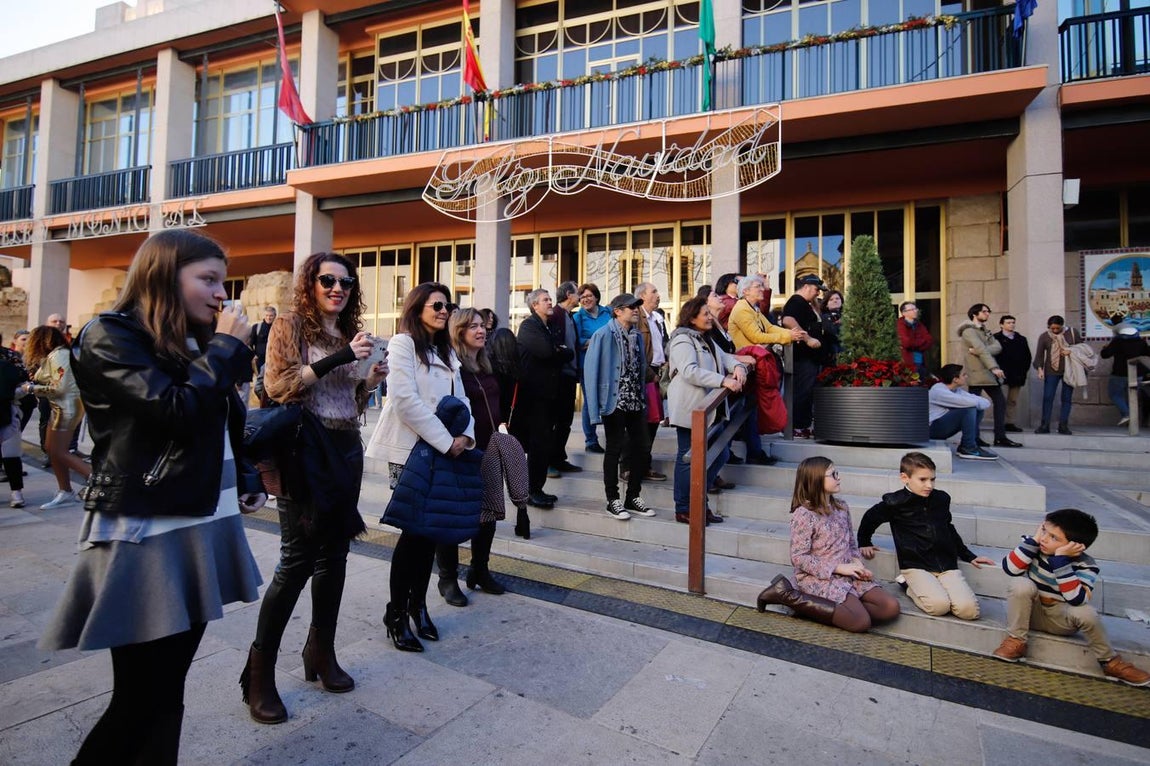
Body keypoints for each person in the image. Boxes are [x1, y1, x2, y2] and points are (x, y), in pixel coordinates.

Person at [38, 229, 265, 763]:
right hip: (147, 528)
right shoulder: (108, 335)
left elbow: (223, 421)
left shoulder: (191, 340)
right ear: (163, 275)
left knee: (167, 693)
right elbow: (175, 412)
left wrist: (249, 477)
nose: (219, 293)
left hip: (200, 521)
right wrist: (227, 347)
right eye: (207, 279)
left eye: (222, 281)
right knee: (140, 698)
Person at [244, 252, 386, 724]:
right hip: (305, 453)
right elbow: (279, 387)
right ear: (310, 283)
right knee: (296, 560)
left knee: (336, 557)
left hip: (345, 449)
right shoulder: (289, 326)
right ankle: (258, 674)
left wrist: (368, 379)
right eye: (327, 280)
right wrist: (345, 359)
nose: (337, 288)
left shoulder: (346, 332)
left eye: (346, 281)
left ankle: (320, 652)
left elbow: (347, 398)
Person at [368, 281, 474, 653]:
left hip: (444, 452)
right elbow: (403, 399)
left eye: (449, 305)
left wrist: (466, 437)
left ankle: (418, 605)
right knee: (413, 534)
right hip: (411, 451)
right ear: (417, 308)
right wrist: (447, 441)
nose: (445, 310)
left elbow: (463, 400)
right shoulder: (403, 344)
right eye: (437, 305)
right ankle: (397, 613)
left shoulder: (445, 352)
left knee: (428, 534)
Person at [992, 509, 1149, 686]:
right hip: (1030, 615)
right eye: (1044, 530)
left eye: (1054, 538)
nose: (1044, 538)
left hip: (1061, 620)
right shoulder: (1033, 546)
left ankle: (1110, 662)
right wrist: (1034, 540)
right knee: (1020, 585)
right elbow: (1010, 569)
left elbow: (1076, 599)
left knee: (1086, 612)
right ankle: (1016, 642)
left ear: (1075, 546)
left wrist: (1060, 560)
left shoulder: (1086, 565)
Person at [436, 308, 528, 606]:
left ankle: (479, 569)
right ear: (458, 331)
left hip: (489, 448)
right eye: (472, 326)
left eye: (481, 326)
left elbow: (495, 405)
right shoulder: (452, 368)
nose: (481, 330)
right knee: (453, 517)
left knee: (488, 513)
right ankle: (447, 578)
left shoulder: (486, 365)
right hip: (462, 451)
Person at [756, 456, 900, 632]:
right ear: (816, 480)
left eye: (837, 473)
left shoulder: (841, 507)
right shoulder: (804, 514)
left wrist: (857, 564)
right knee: (860, 623)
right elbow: (798, 558)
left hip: (847, 574)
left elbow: (851, 544)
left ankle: (842, 610)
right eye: (833, 474)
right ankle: (785, 595)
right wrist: (838, 568)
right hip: (819, 578)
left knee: (890, 608)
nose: (839, 478)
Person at [857, 452, 996, 620]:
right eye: (923, 480)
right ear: (904, 477)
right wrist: (864, 541)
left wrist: (968, 555)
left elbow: (948, 528)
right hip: (916, 564)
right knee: (938, 607)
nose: (929, 485)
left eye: (932, 479)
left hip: (946, 564)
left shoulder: (941, 499)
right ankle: (908, 585)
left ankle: (936, 587)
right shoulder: (894, 503)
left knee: (969, 611)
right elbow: (869, 518)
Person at [666, 296, 746, 525]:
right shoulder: (682, 340)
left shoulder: (706, 338)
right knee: (687, 457)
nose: (710, 317)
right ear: (692, 318)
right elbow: (689, 371)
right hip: (690, 407)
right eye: (705, 314)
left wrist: (739, 367)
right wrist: (723, 381)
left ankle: (699, 502)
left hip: (710, 408)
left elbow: (727, 358)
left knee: (719, 453)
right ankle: (684, 508)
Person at [585, 293, 656, 521]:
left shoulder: (635, 335)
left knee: (642, 447)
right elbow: (591, 373)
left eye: (637, 306)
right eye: (631, 307)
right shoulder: (603, 335)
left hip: (635, 401)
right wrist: (594, 411)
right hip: (613, 401)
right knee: (614, 448)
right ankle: (612, 500)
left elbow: (640, 369)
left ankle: (632, 496)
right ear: (617, 311)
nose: (636, 310)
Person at [728, 274, 805, 450]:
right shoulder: (741, 309)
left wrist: (789, 334)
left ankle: (755, 449)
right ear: (746, 291)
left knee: (751, 410)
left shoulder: (752, 308)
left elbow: (769, 328)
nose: (762, 289)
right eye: (758, 286)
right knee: (746, 410)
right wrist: (787, 336)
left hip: (757, 364)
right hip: (749, 365)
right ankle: (749, 449)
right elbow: (756, 336)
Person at [22, 325, 92, 509]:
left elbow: (60, 387)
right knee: (51, 448)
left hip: (67, 406)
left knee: (60, 451)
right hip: (60, 406)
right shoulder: (55, 356)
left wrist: (32, 388)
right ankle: (65, 490)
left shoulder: (60, 355)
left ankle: (96, 479)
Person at [515, 288, 572, 508]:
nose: (550, 302)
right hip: (533, 398)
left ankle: (537, 488)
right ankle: (531, 491)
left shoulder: (552, 326)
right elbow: (547, 352)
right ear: (534, 305)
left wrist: (558, 350)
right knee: (538, 445)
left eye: (550, 299)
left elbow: (569, 353)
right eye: (545, 300)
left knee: (544, 444)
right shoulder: (529, 326)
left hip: (549, 396)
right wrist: (558, 351)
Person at [957, 303, 1020, 448]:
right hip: (978, 372)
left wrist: (980, 350)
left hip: (986, 372)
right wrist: (994, 367)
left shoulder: (985, 330)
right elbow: (982, 349)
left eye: (988, 311)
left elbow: (997, 347)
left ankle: (999, 437)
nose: (987, 314)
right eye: (984, 311)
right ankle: (975, 438)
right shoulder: (969, 331)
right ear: (975, 314)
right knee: (975, 406)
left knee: (999, 403)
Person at [625, 281, 668, 482]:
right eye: (654, 291)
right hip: (645, 375)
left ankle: (644, 465)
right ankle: (627, 466)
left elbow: (663, 345)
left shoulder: (658, 318)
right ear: (642, 296)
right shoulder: (636, 317)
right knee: (637, 423)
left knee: (652, 423)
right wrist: (651, 374)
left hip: (657, 374)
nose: (658, 295)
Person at [782, 275, 828, 438]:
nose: (817, 293)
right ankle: (796, 425)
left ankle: (804, 424)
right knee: (802, 390)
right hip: (803, 356)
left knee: (808, 391)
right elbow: (787, 320)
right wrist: (807, 338)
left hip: (812, 357)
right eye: (816, 290)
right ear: (807, 286)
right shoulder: (796, 301)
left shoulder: (807, 304)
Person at [547, 281, 583, 476]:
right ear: (569, 294)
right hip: (558, 377)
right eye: (577, 293)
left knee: (565, 420)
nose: (580, 296)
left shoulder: (570, 316)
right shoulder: (555, 315)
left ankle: (559, 458)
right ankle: (548, 462)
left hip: (569, 376)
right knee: (555, 421)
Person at [928, 364, 997, 460]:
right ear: (955, 379)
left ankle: (967, 445)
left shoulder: (956, 390)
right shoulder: (938, 391)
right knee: (968, 409)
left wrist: (974, 402)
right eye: (963, 375)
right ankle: (969, 447)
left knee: (975, 408)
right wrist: (973, 402)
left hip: (943, 426)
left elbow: (985, 403)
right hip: (932, 430)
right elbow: (972, 402)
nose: (966, 376)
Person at [572, 283, 611, 453]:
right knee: (590, 401)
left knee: (610, 399)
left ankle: (612, 436)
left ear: (596, 297)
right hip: (587, 365)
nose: (586, 299)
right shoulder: (578, 318)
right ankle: (591, 440)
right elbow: (576, 340)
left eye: (589, 296)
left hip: (608, 363)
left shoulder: (608, 312)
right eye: (582, 297)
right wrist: (594, 342)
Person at [1031, 315, 1080, 435]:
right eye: (1052, 328)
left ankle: (1063, 425)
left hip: (1069, 369)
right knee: (1048, 397)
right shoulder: (1045, 336)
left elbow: (1081, 348)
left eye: (1057, 328)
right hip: (1051, 370)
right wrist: (1040, 369)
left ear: (1062, 326)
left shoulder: (1072, 333)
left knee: (1066, 398)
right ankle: (1045, 425)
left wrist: (1071, 351)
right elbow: (1040, 354)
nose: (1054, 331)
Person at [1100, 322, 1150, 426]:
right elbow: (1147, 352)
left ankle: (1126, 414)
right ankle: (1136, 421)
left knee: (1115, 394)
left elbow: (1105, 355)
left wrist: (1105, 348)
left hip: (1120, 373)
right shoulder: (1140, 341)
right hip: (1138, 373)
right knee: (1135, 396)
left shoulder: (1117, 342)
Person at [993, 315, 1030, 433]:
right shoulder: (995, 338)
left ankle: (1010, 422)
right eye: (1008, 322)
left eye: (1013, 322)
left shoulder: (1021, 339)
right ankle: (999, 424)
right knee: (1000, 401)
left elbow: (1027, 357)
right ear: (1001, 325)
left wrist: (1023, 372)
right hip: (1001, 375)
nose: (1011, 324)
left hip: (1017, 375)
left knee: (1012, 400)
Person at [897, 301, 933, 380]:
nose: (915, 311)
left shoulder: (919, 325)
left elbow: (929, 340)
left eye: (915, 309)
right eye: (912, 309)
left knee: (922, 385)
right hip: (908, 362)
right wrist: (921, 342)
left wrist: (914, 344)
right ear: (904, 313)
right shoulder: (900, 325)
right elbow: (906, 343)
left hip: (921, 362)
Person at [821, 289, 844, 364]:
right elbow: (832, 333)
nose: (835, 301)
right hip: (832, 354)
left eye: (837, 298)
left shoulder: (847, 316)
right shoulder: (824, 317)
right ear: (826, 304)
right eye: (831, 299)